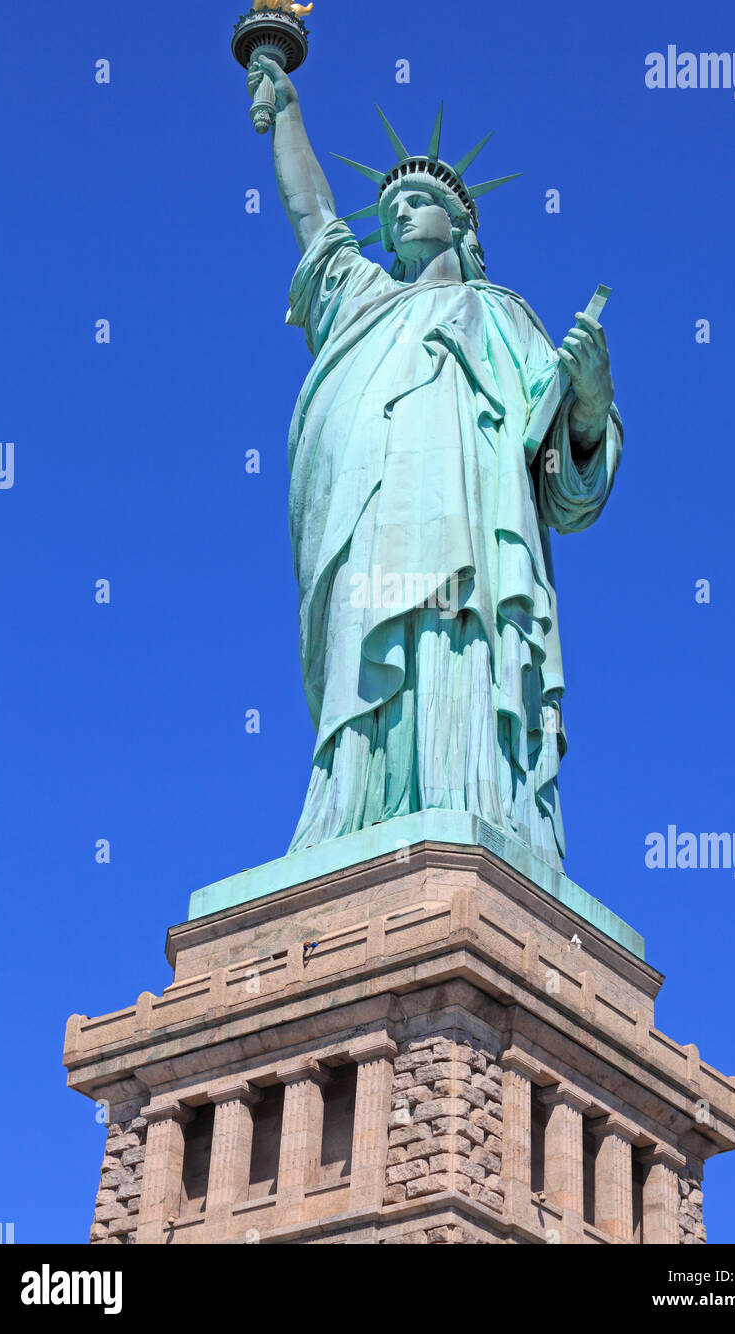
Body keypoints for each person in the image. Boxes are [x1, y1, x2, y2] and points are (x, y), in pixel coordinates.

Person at [248, 55, 622, 869]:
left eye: (417, 201)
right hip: (372, 525)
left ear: (459, 223)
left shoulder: (504, 319)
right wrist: (286, 112)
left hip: (474, 554)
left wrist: (588, 404)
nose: (400, 214)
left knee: (458, 653)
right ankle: (353, 814)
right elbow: (314, 216)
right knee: (368, 656)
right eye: (390, 207)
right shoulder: (363, 301)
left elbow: (567, 484)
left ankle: (474, 803)